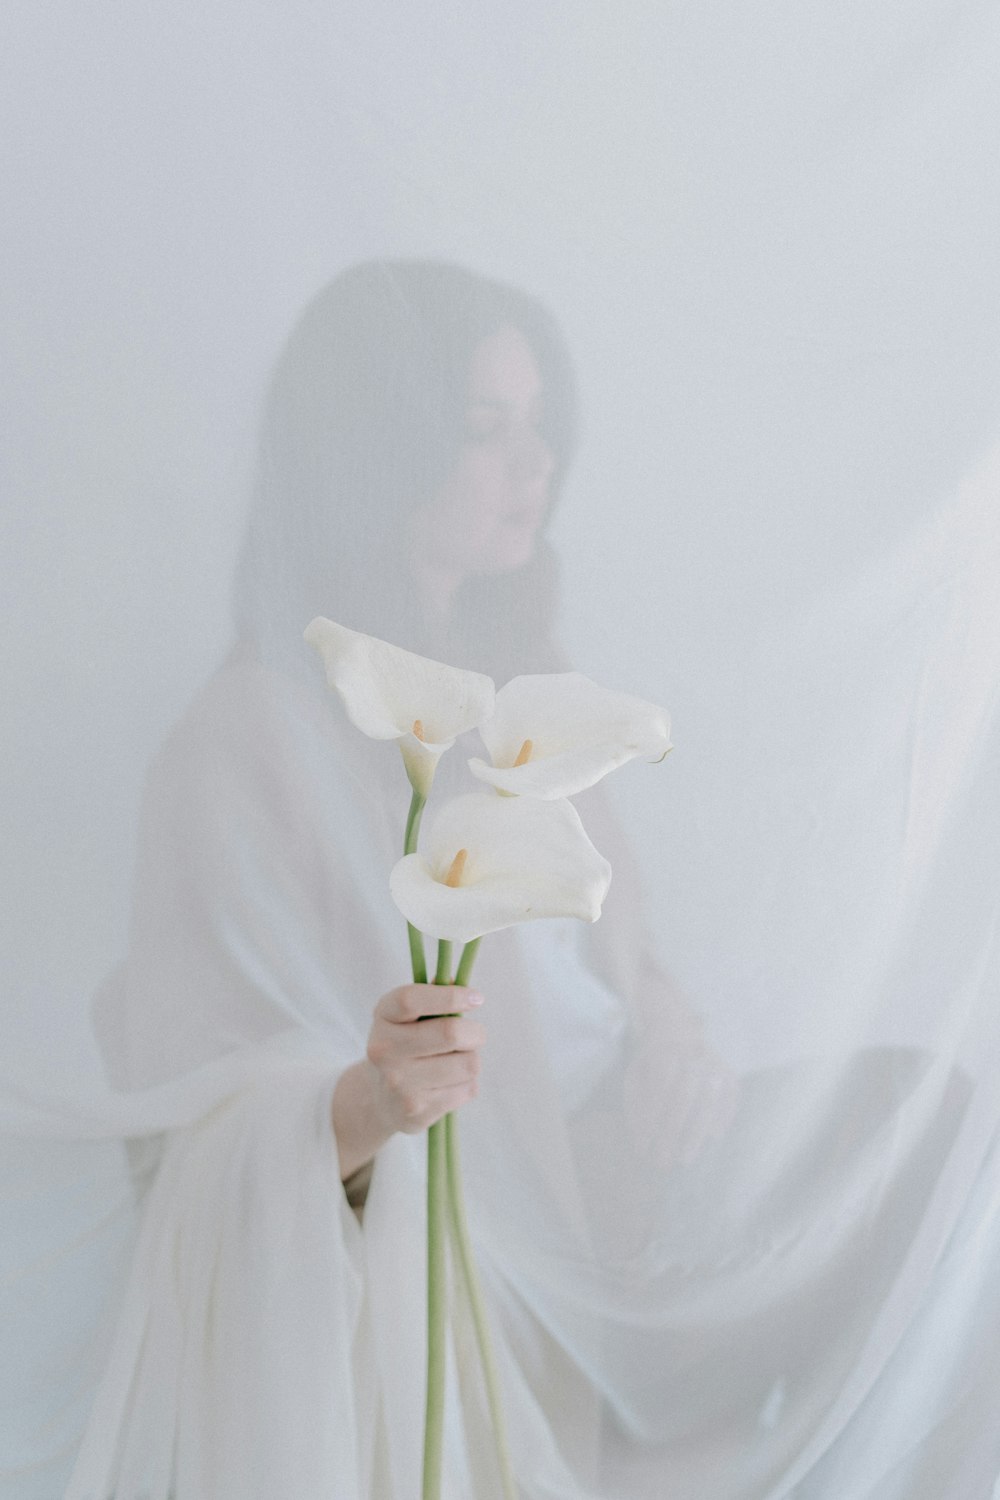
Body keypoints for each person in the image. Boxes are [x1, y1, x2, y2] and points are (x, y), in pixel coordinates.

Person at [60, 260, 973, 1500]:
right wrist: (377, 1098)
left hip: (631, 1168)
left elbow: (602, 949)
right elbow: (190, 1107)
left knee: (931, 1127)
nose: (532, 466)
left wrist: (669, 1027)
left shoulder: (523, 685)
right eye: (484, 432)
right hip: (501, 1228)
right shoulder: (247, 741)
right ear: (377, 454)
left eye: (541, 426)